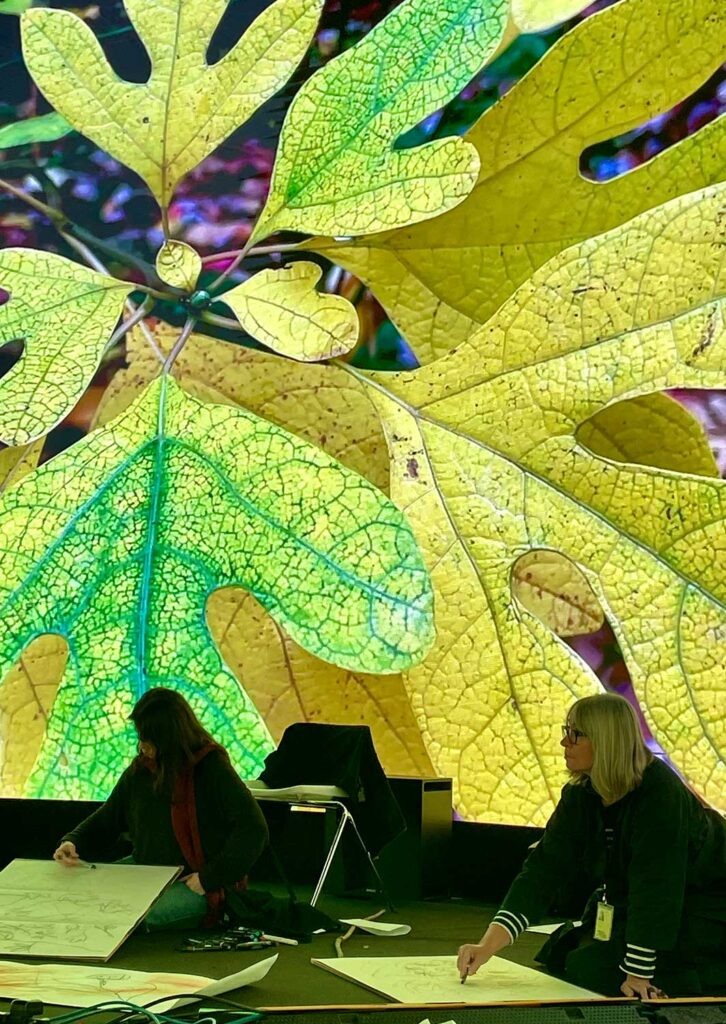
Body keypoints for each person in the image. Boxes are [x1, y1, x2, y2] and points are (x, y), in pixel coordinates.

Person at [457, 693, 726, 998]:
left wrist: (637, 975)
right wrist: (486, 946)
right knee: (567, 955)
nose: (564, 742)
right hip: (641, 902)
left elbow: (657, 887)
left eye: (576, 734)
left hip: (705, 902)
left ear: (606, 740)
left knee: (600, 971)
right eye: (566, 731)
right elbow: (541, 873)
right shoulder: (583, 794)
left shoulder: (660, 795)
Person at [53, 687, 269, 930]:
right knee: (80, 893)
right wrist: (73, 842)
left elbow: (253, 830)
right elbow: (109, 816)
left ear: (166, 736)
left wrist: (209, 879)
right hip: (144, 870)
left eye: (146, 737)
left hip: (192, 881)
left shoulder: (210, 768)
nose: (141, 744)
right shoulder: (142, 769)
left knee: (128, 914)